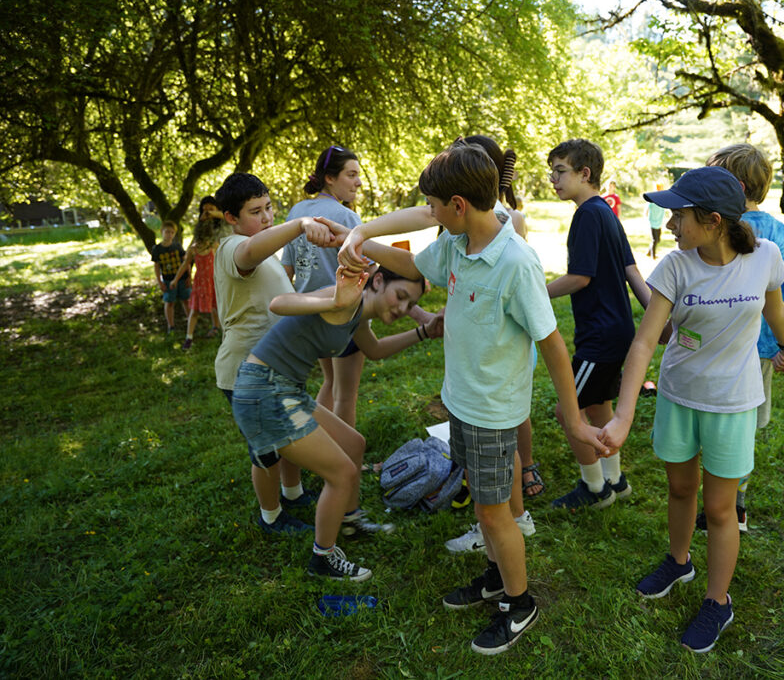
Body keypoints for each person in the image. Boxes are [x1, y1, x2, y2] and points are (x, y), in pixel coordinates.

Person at [336, 140, 607, 655]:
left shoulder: (515, 262)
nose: (430, 215)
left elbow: (551, 343)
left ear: (458, 205)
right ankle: (494, 578)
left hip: (492, 411)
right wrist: (358, 241)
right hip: (463, 402)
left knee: (491, 514)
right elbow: (415, 266)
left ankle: (519, 601)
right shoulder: (458, 245)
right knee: (493, 503)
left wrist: (572, 420)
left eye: (435, 207)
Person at [599, 166, 784, 653]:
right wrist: (623, 416)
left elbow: (774, 306)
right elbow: (646, 342)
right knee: (680, 487)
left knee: (720, 507)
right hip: (678, 396)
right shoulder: (675, 265)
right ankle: (679, 560)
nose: (669, 225)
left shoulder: (765, 257)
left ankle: (717, 601)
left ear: (712, 221)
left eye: (678, 216)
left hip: (732, 404)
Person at [232, 262, 440, 581]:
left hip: (285, 388)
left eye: (410, 304)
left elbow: (375, 350)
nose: (402, 308)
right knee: (341, 472)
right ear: (378, 281)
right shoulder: (343, 299)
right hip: (265, 391)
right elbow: (279, 304)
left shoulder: (357, 316)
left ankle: (349, 518)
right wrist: (333, 300)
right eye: (400, 296)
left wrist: (424, 331)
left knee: (354, 444)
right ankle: (323, 559)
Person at [696, 143, 784, 533]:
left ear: (730, 184)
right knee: (744, 426)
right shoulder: (781, 232)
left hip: (717, 347)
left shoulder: (714, 224)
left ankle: (720, 504)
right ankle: (735, 504)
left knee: (708, 420)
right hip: (766, 351)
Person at [214, 172, 342, 535]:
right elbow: (250, 253)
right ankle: (271, 516)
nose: (267, 217)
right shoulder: (231, 247)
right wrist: (300, 223)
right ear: (231, 219)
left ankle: (293, 493)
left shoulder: (266, 249)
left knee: (286, 435)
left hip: (275, 364)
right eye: (256, 211)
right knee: (267, 448)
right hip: (243, 368)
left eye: (269, 207)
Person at [281, 145, 436, 431]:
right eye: (351, 175)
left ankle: (313, 443)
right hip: (344, 316)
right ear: (330, 177)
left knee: (329, 381)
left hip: (308, 314)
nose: (359, 182)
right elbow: (379, 277)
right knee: (345, 395)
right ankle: (340, 453)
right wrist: (421, 316)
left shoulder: (297, 212)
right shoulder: (347, 218)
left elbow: (285, 272)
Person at [442, 134, 538, 555]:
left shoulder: (502, 224)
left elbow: (534, 314)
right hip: (483, 358)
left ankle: (506, 521)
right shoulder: (471, 226)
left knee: (502, 441)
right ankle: (510, 517)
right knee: (500, 448)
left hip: (502, 352)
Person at [545, 139, 651, 510]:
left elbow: (579, 277)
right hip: (618, 331)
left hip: (600, 336)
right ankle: (615, 479)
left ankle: (594, 489)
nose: (553, 180)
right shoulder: (606, 211)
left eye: (560, 171)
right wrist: (655, 314)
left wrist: (536, 293)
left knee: (567, 410)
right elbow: (631, 270)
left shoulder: (588, 214)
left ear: (584, 173)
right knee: (598, 404)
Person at [170, 212, 221, 350]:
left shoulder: (214, 246)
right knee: (194, 310)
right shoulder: (193, 249)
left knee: (216, 307)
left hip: (212, 281)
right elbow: (184, 265)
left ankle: (217, 329)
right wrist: (176, 279)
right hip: (200, 283)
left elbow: (221, 263)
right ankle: (189, 337)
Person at [151, 221, 191, 334]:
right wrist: (160, 281)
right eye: (167, 232)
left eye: (172, 232)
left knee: (186, 300)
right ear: (161, 232)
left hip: (182, 278)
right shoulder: (157, 249)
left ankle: (191, 322)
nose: (169, 234)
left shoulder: (177, 246)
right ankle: (171, 326)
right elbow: (157, 266)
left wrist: (189, 277)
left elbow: (186, 262)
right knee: (169, 302)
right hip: (168, 280)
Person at [646, 184, 666, 259]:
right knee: (655, 240)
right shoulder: (652, 198)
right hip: (652, 222)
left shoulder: (663, 198)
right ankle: (653, 255)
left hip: (659, 222)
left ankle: (649, 252)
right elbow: (648, 208)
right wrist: (646, 214)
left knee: (658, 239)